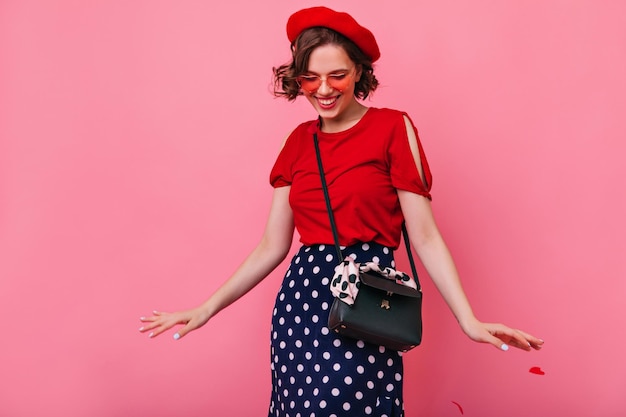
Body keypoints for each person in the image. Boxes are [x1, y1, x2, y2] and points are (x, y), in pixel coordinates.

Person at [139, 6, 544, 416]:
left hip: (365, 301)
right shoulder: (297, 141)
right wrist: (206, 308)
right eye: (310, 78)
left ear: (359, 72)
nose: (323, 89)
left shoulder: (392, 128)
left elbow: (425, 236)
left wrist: (468, 319)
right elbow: (271, 246)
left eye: (338, 75)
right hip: (300, 306)